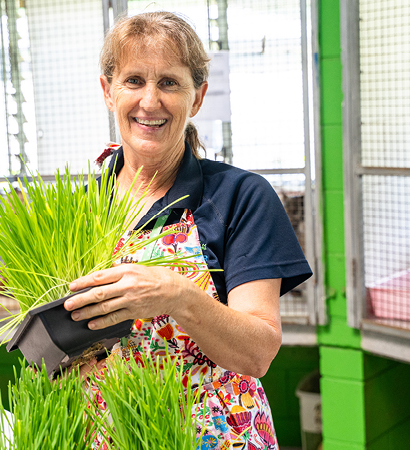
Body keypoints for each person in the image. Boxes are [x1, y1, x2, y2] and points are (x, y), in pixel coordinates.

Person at [64, 11, 312, 449]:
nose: (150, 101)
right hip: (110, 433)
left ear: (197, 98)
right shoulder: (84, 206)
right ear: (108, 91)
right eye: (134, 81)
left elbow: (257, 353)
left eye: (169, 83)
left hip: (217, 435)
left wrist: (176, 294)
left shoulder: (241, 196)